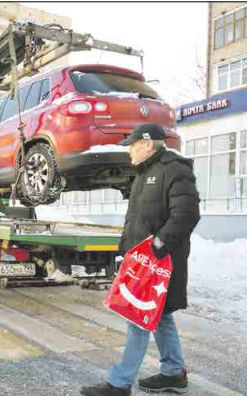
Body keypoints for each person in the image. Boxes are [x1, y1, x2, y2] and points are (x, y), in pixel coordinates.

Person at [81, 124, 201, 396]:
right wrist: (125, 252)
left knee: (138, 316)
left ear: (148, 144)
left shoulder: (175, 169)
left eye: (132, 145)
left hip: (160, 263)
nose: (129, 151)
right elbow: (134, 220)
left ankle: (119, 383)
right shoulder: (143, 174)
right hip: (141, 262)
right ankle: (173, 372)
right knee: (161, 317)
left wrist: (158, 245)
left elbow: (186, 214)